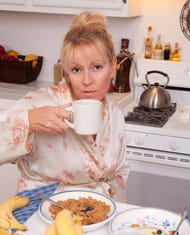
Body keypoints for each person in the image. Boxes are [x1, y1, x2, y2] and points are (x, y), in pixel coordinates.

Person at [0, 11, 129, 202]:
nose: (87, 80)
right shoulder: (41, 103)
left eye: (97, 67)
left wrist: (112, 215)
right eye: (76, 69)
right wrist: (27, 121)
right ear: (67, 71)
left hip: (96, 213)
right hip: (40, 211)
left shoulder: (115, 114)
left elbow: (120, 174)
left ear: (113, 66)